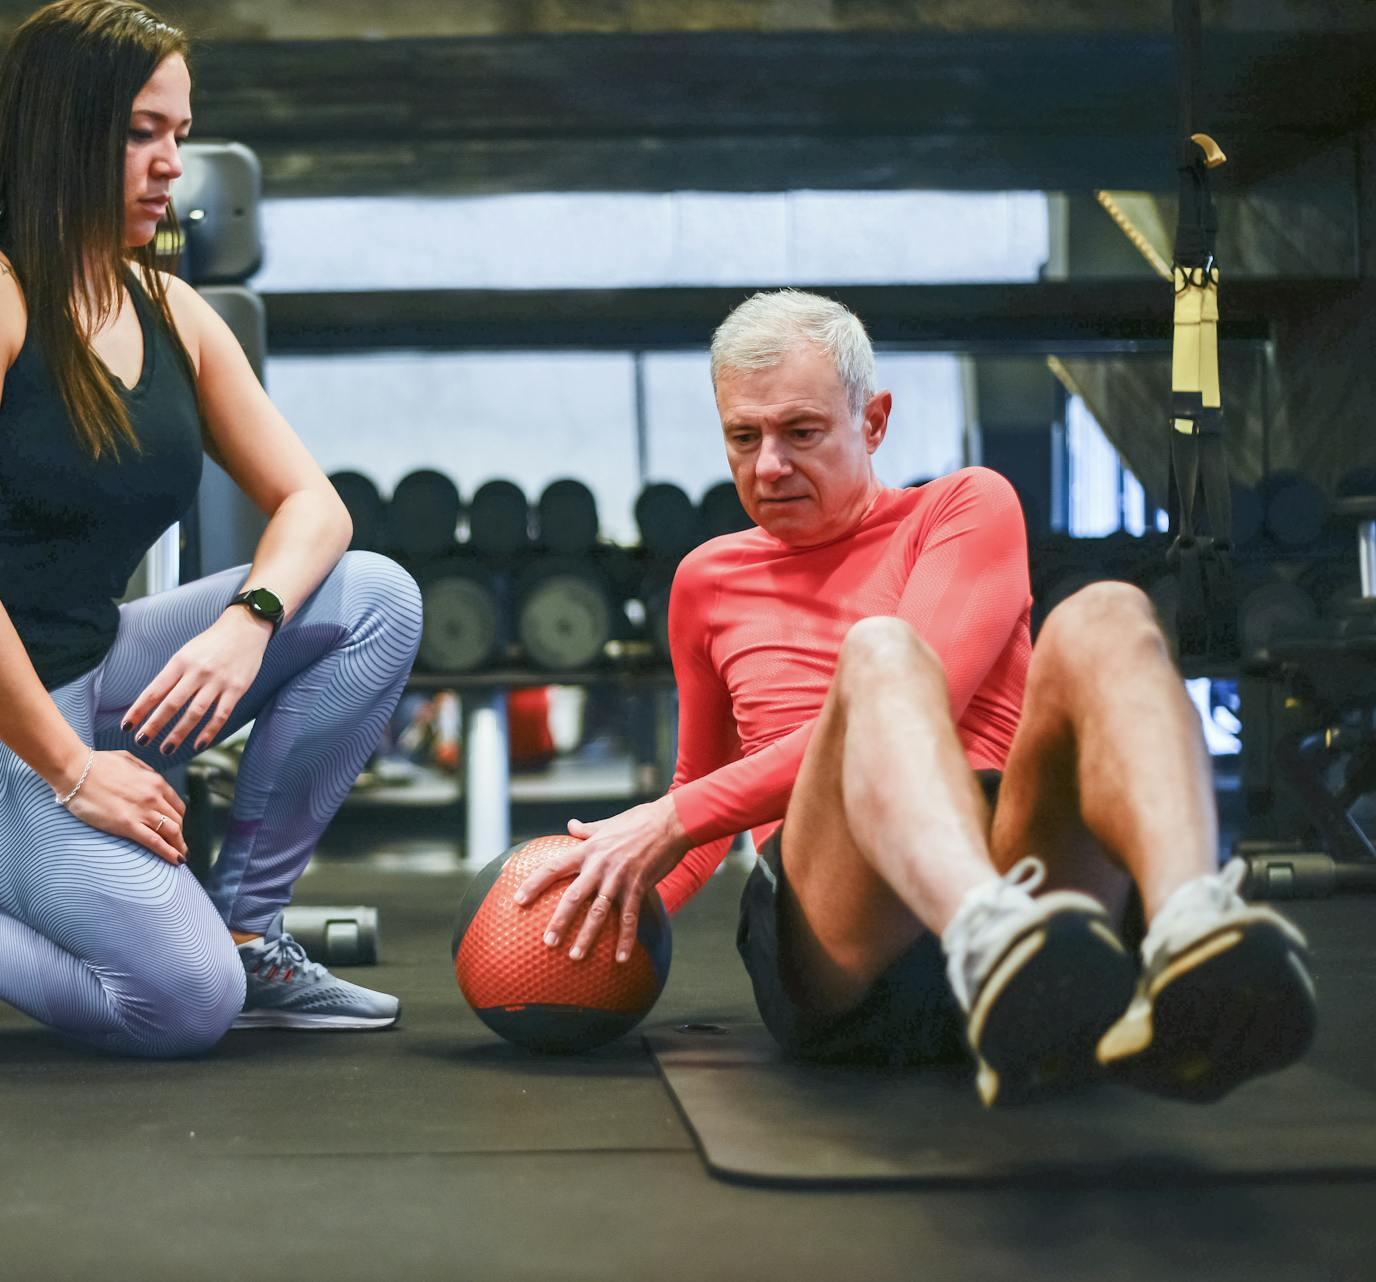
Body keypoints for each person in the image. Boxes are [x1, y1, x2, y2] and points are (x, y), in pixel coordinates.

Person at [0, 0, 422, 1056]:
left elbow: (317, 505)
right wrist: (76, 770)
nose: (172, 165)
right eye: (139, 133)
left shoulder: (169, 309)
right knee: (177, 1002)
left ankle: (250, 930)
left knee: (374, 598)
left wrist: (248, 618)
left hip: (85, 668)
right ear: (57, 129)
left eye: (178, 133)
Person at [513, 289, 1317, 1105]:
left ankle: (1188, 931)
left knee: (1105, 612)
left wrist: (670, 819)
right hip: (841, 930)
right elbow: (698, 793)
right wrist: (596, 905)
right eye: (743, 437)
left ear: (873, 420)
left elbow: (914, 685)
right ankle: (983, 936)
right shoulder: (704, 580)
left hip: (1040, 908)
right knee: (881, 652)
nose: (768, 467)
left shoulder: (964, 507)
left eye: (801, 432)